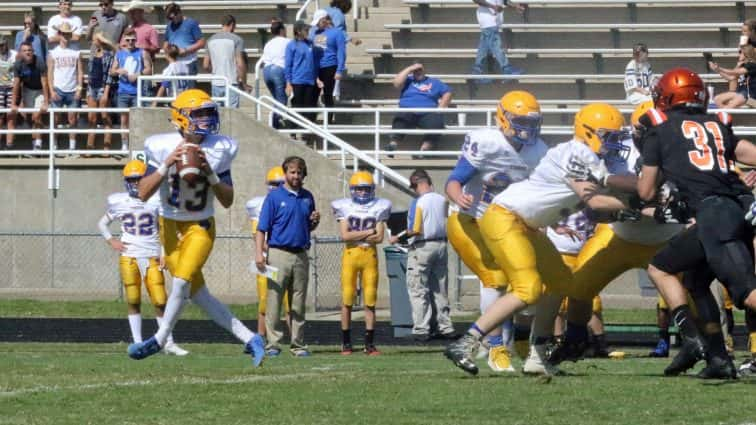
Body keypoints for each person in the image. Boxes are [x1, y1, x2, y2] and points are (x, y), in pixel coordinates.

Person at [444, 103, 632, 376]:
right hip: (504, 216)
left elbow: (597, 203)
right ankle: (466, 342)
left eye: (617, 136)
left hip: (528, 224)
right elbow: (593, 198)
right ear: (588, 132)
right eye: (608, 136)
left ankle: (537, 354)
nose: (614, 143)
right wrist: (636, 203)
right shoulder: (574, 152)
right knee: (528, 289)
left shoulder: (596, 159)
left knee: (563, 282)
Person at [126, 88, 265, 366]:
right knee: (198, 295)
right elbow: (141, 193)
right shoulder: (160, 145)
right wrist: (167, 165)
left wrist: (209, 171)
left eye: (208, 113)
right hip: (169, 226)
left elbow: (227, 200)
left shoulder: (220, 147)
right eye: (198, 113)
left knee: (180, 283)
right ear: (180, 117)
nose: (206, 119)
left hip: (200, 225)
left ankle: (160, 338)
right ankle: (251, 338)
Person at [638, 68, 756, 379]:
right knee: (688, 279)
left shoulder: (659, 129)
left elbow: (645, 191)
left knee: (748, 294)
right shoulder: (716, 123)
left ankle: (693, 340)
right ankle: (716, 356)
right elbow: (749, 154)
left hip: (716, 215)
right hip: (730, 211)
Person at [444, 90, 547, 372]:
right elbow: (454, 180)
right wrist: (457, 195)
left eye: (531, 122)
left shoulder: (538, 151)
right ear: (502, 118)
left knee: (531, 283)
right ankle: (494, 347)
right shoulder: (486, 142)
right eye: (520, 121)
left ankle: (524, 343)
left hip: (506, 224)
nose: (526, 129)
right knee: (495, 279)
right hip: (468, 220)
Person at [98, 160, 188, 356]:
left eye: (138, 179)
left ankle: (168, 342)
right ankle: (138, 342)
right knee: (133, 299)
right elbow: (102, 224)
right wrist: (111, 240)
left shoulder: (156, 200)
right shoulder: (119, 201)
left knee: (160, 300)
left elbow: (165, 230)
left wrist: (164, 253)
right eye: (131, 180)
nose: (135, 183)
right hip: (129, 256)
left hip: (152, 255)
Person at [255, 156, 320, 357]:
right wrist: (259, 253)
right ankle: (273, 343)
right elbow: (261, 229)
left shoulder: (308, 197)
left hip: (300, 254)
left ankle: (298, 344)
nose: (296, 176)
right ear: (286, 174)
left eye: (299, 172)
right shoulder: (274, 198)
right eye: (292, 172)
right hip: (278, 253)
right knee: (274, 299)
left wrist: (314, 222)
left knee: (298, 303)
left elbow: (307, 227)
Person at [331, 171, 392, 355]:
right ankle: (346, 342)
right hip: (351, 255)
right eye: (359, 189)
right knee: (347, 299)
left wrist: (360, 234)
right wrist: (368, 232)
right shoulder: (344, 206)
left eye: (366, 189)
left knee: (370, 300)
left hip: (369, 256)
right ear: (352, 190)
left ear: (372, 189)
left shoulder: (380, 206)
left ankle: (369, 344)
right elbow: (345, 236)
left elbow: (380, 237)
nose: (363, 193)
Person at [392, 169, 456, 341]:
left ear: (416, 183)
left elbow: (415, 229)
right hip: (442, 245)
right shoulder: (443, 200)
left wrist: (396, 237)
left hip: (422, 247)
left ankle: (422, 329)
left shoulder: (418, 202)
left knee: (418, 290)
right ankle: (446, 327)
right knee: (440, 290)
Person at [245, 166, 290, 339]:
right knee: (264, 302)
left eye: (280, 184)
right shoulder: (259, 205)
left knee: (288, 303)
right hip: (265, 260)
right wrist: (272, 250)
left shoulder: (291, 201)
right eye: (273, 184)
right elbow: (257, 235)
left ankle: (296, 339)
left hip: (285, 257)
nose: (276, 188)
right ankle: (261, 337)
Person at [388, 63, 452, 154]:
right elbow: (396, 83)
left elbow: (448, 92)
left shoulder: (434, 82)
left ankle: (424, 149)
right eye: (415, 70)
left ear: (425, 70)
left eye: (420, 70)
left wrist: (440, 108)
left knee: (437, 123)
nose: (418, 72)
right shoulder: (408, 80)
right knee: (400, 119)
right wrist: (409, 68)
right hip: (408, 111)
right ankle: (393, 144)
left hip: (428, 112)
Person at [111, 28, 152, 150]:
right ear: (124, 40)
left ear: (136, 40)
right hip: (123, 91)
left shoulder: (142, 52)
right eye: (128, 40)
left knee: (137, 120)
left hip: (137, 92)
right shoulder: (119, 53)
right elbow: (111, 71)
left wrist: (138, 74)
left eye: (132, 40)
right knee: (124, 119)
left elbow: (149, 70)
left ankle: (137, 144)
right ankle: (124, 144)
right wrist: (119, 71)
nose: (130, 43)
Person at [47, 22, 83, 153]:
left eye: (68, 33)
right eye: (63, 33)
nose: (66, 36)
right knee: (55, 118)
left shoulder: (77, 52)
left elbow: (80, 72)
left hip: (73, 89)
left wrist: (79, 89)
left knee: (72, 118)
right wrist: (51, 90)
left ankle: (72, 146)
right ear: (59, 34)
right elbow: (49, 73)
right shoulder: (53, 53)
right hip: (58, 88)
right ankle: (54, 144)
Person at [10, 42, 49, 152]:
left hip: (40, 90)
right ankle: (34, 145)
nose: (28, 52)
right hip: (27, 90)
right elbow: (16, 84)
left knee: (37, 116)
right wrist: (13, 103)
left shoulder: (39, 62)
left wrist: (46, 101)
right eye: (25, 50)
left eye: (29, 50)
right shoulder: (18, 64)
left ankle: (38, 144)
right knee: (30, 118)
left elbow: (45, 83)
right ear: (20, 53)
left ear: (33, 51)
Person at [471, 0, 524, 79]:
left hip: (494, 20)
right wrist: (493, 6)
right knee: (496, 45)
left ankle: (477, 71)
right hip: (487, 19)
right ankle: (507, 69)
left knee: (483, 47)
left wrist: (515, 5)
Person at [204, 15, 246, 108]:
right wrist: (243, 82)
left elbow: (205, 65)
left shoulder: (210, 40)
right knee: (232, 115)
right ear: (232, 25)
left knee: (218, 114)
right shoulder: (237, 39)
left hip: (216, 82)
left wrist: (215, 72)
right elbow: (240, 64)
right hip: (231, 82)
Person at [310, 10, 346, 116]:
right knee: (312, 94)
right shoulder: (314, 32)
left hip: (330, 66)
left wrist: (339, 70)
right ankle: (311, 120)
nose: (317, 24)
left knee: (328, 94)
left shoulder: (337, 33)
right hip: (316, 67)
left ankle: (329, 121)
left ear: (325, 19)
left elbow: (341, 52)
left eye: (319, 22)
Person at [86, 32, 116, 152]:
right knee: (91, 118)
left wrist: (106, 93)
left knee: (105, 117)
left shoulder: (109, 55)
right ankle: (89, 148)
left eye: (95, 39)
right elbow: (90, 73)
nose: (93, 41)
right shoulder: (93, 54)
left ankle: (106, 148)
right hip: (92, 88)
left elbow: (109, 75)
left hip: (103, 88)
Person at [285, 21, 318, 128]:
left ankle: (306, 133)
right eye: (306, 30)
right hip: (297, 80)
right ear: (298, 31)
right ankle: (293, 131)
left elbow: (313, 62)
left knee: (309, 108)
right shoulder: (291, 45)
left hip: (310, 81)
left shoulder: (310, 43)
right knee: (297, 107)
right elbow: (288, 65)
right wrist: (288, 83)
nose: (308, 32)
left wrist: (317, 78)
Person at [163, 2, 205, 80]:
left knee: (189, 91)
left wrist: (186, 50)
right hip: (174, 64)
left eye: (172, 18)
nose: (172, 21)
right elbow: (166, 43)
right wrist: (167, 53)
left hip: (189, 63)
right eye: (169, 18)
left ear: (179, 13)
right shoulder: (169, 25)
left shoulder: (191, 23)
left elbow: (201, 42)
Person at [261, 19, 288, 128]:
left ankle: (275, 120)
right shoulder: (287, 42)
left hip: (266, 71)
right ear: (281, 30)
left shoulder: (268, 43)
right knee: (282, 99)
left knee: (277, 98)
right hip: (278, 70)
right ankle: (275, 121)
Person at [709, 44, 756, 109]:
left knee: (727, 107)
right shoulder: (743, 65)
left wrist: (719, 68)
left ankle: (725, 116)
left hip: (749, 95)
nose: (738, 54)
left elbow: (734, 72)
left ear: (746, 53)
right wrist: (717, 70)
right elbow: (731, 78)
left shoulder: (752, 65)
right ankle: (725, 116)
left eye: (740, 52)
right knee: (717, 99)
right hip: (741, 92)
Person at [0, 35, 17, 150]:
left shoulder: (14, 55)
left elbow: (18, 74)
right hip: (0, 88)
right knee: (0, 117)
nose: (1, 47)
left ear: (7, 44)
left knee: (10, 116)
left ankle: (9, 145)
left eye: (2, 45)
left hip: (11, 87)